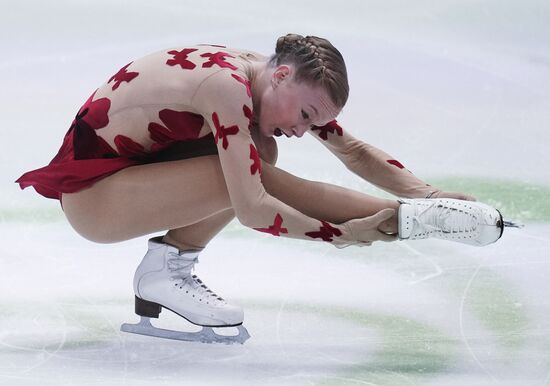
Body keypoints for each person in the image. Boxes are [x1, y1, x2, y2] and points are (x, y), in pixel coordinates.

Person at [15, 34, 504, 344]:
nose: (304, 128)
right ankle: (408, 222)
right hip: (95, 200)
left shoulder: (261, 77)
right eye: (307, 116)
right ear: (284, 75)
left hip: (134, 175)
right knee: (247, 168)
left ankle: (166, 271)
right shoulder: (224, 88)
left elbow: (352, 151)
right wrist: (352, 232)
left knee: (258, 151)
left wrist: (427, 192)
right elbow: (254, 207)